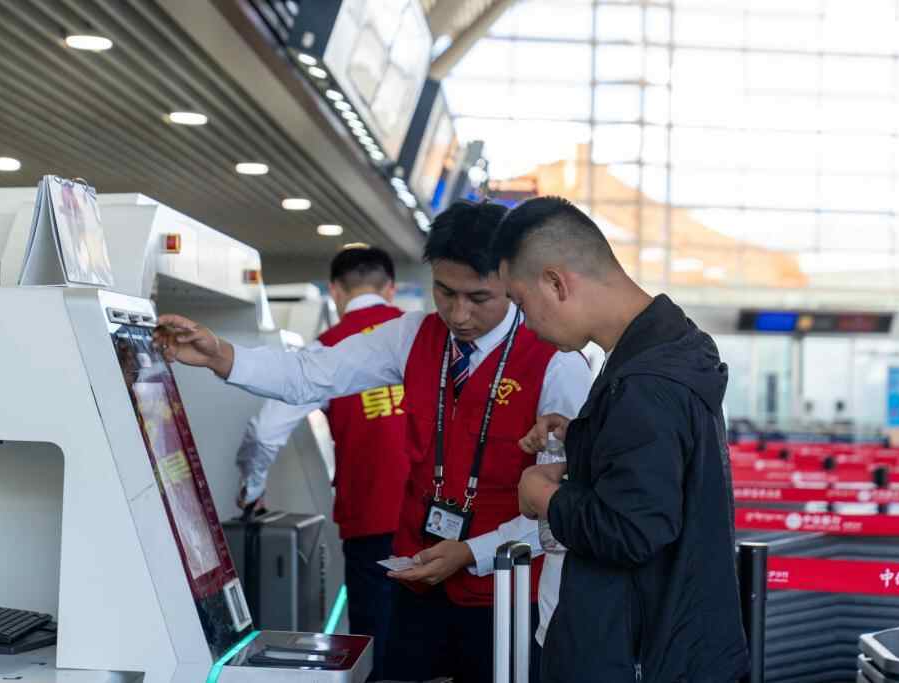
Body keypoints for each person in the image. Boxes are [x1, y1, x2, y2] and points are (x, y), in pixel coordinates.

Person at [154, 200, 592, 683]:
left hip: (507, 590)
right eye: (445, 292)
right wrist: (221, 355)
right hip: (418, 575)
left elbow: (563, 506)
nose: (458, 313)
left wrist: (473, 551)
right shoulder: (412, 336)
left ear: (512, 280)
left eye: (478, 298)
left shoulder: (555, 361)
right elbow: (311, 374)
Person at [493, 196, 749, 683]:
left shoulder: (644, 383)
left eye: (521, 304)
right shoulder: (668, 346)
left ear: (556, 282)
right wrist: (584, 440)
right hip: (678, 640)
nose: (525, 323)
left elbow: (631, 531)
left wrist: (543, 495)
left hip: (641, 653)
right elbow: (664, 472)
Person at [236, 244, 406, 680]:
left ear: (335, 291)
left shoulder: (328, 348)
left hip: (371, 521)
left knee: (377, 645)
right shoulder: (422, 339)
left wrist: (252, 489)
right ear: (391, 289)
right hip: (441, 522)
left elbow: (266, 429)